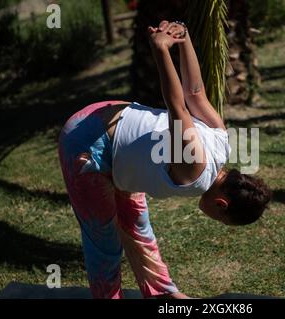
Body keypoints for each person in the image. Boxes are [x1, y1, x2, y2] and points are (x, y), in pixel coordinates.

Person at [58, 20, 271, 299]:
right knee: (104, 241)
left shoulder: (222, 143)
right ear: (221, 205)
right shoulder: (193, 171)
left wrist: (185, 41)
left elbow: (195, 93)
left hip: (111, 125)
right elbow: (176, 105)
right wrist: (160, 49)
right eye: (222, 220)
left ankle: (162, 294)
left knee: (138, 228)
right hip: (87, 142)